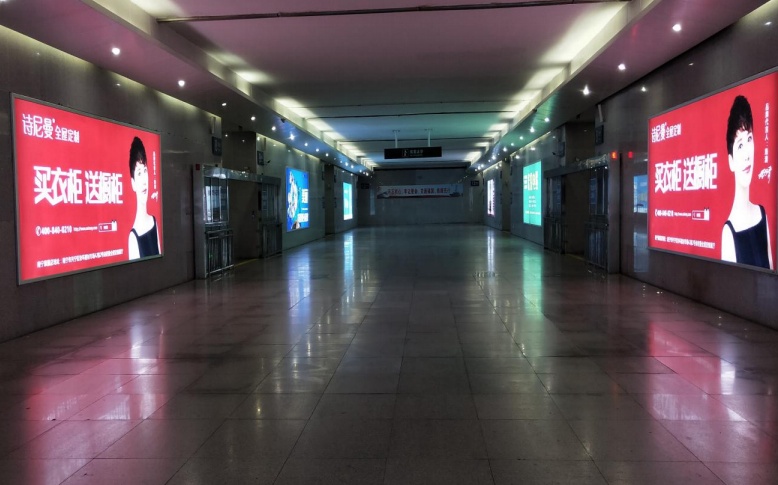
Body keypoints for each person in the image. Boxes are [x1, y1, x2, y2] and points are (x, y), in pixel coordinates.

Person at [721, 95, 773, 269]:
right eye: (740, 145)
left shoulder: (762, 214)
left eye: (749, 139)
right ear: (731, 161)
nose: (747, 155)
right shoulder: (729, 233)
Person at [128, 136, 160, 259]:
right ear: (133, 183)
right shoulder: (133, 237)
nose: (144, 181)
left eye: (145, 170)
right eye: (139, 173)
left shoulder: (154, 221)